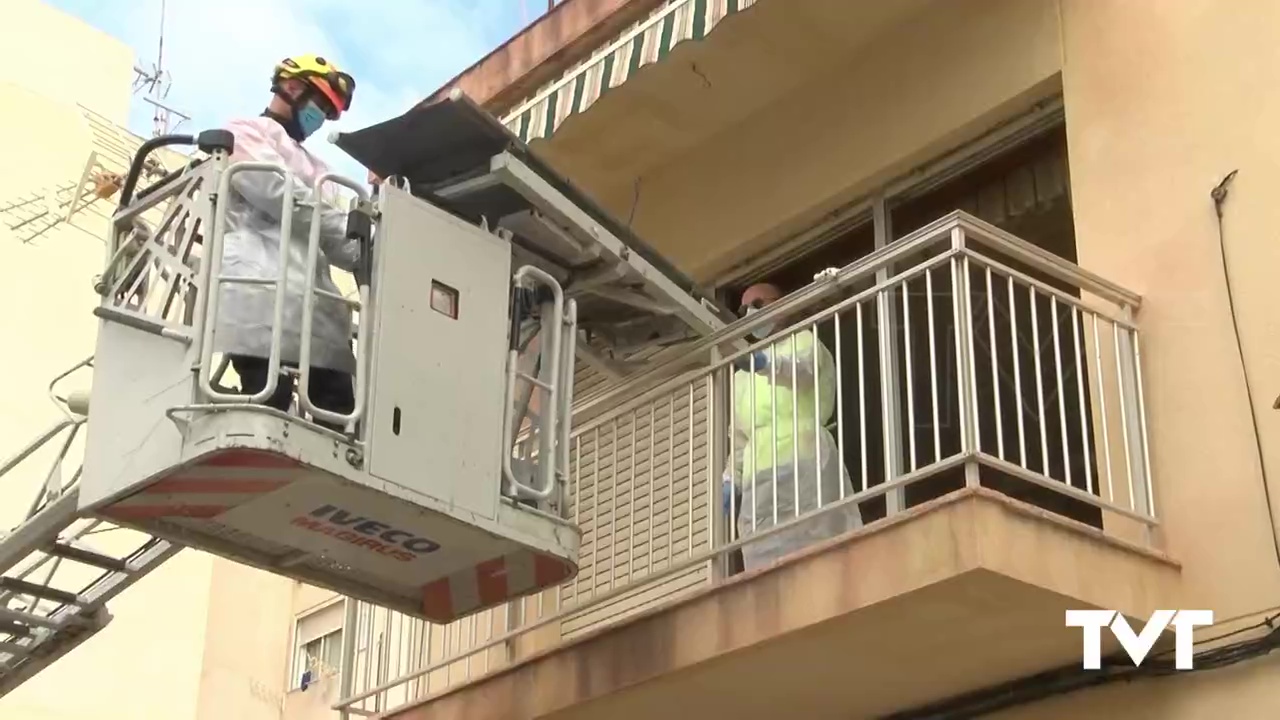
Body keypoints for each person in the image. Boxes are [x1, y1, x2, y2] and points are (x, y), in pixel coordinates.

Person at [215, 54, 360, 432]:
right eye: (320, 105)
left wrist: (384, 246)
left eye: (328, 112)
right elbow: (278, 191)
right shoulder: (244, 131)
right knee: (267, 409)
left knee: (341, 417)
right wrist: (338, 223)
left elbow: (345, 243)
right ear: (293, 88)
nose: (319, 117)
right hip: (258, 293)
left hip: (315, 304)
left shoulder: (319, 168)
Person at [724, 282, 863, 572]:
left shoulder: (803, 341)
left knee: (819, 553)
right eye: (743, 309)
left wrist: (764, 364)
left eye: (758, 305)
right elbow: (740, 439)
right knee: (765, 564)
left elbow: (802, 371)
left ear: (781, 303)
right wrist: (730, 480)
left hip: (805, 464)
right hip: (759, 480)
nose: (749, 313)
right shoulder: (741, 376)